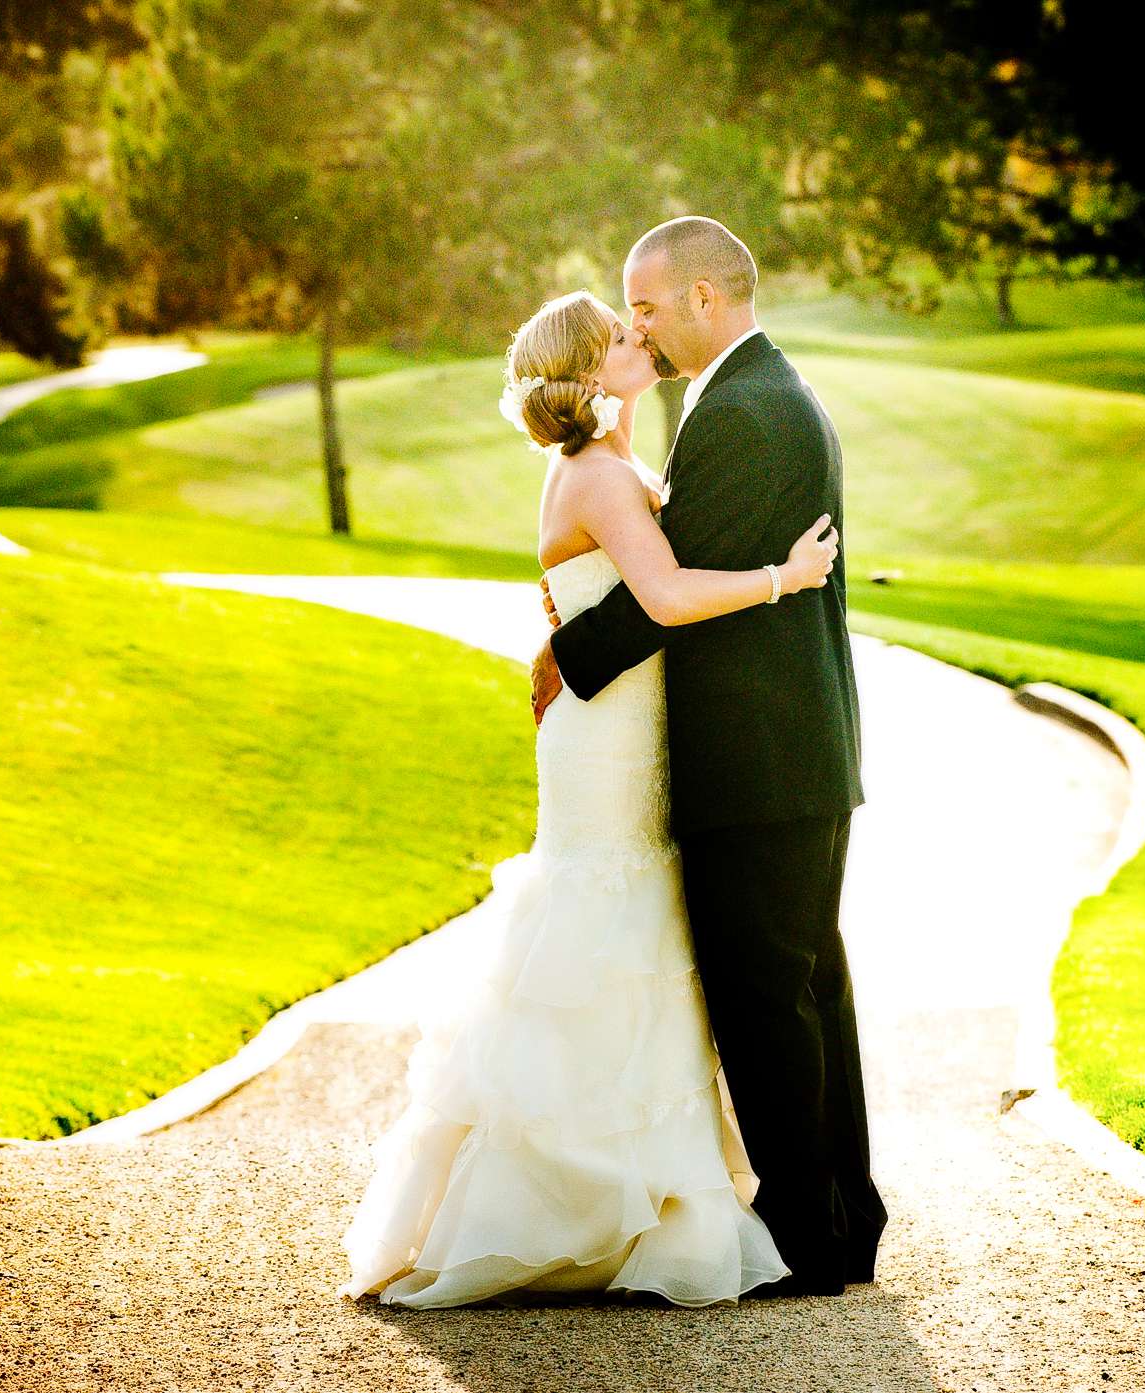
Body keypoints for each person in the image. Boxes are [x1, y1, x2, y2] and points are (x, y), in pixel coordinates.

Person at [336, 282, 841, 1308]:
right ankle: (567, 1201)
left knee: (634, 923)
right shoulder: (601, 476)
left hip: (621, 718)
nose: (638, 336)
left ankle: (636, 1192)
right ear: (586, 369)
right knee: (598, 917)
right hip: (604, 736)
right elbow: (663, 596)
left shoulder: (607, 465)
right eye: (619, 334)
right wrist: (785, 577)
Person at [536, 216, 887, 1296]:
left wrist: (566, 647)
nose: (634, 323)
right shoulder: (753, 393)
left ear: (702, 299)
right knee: (803, 981)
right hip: (789, 749)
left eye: (645, 305)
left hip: (761, 754)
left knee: (765, 994)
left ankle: (807, 1230)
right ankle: (841, 1215)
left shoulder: (744, 410)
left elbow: (674, 580)